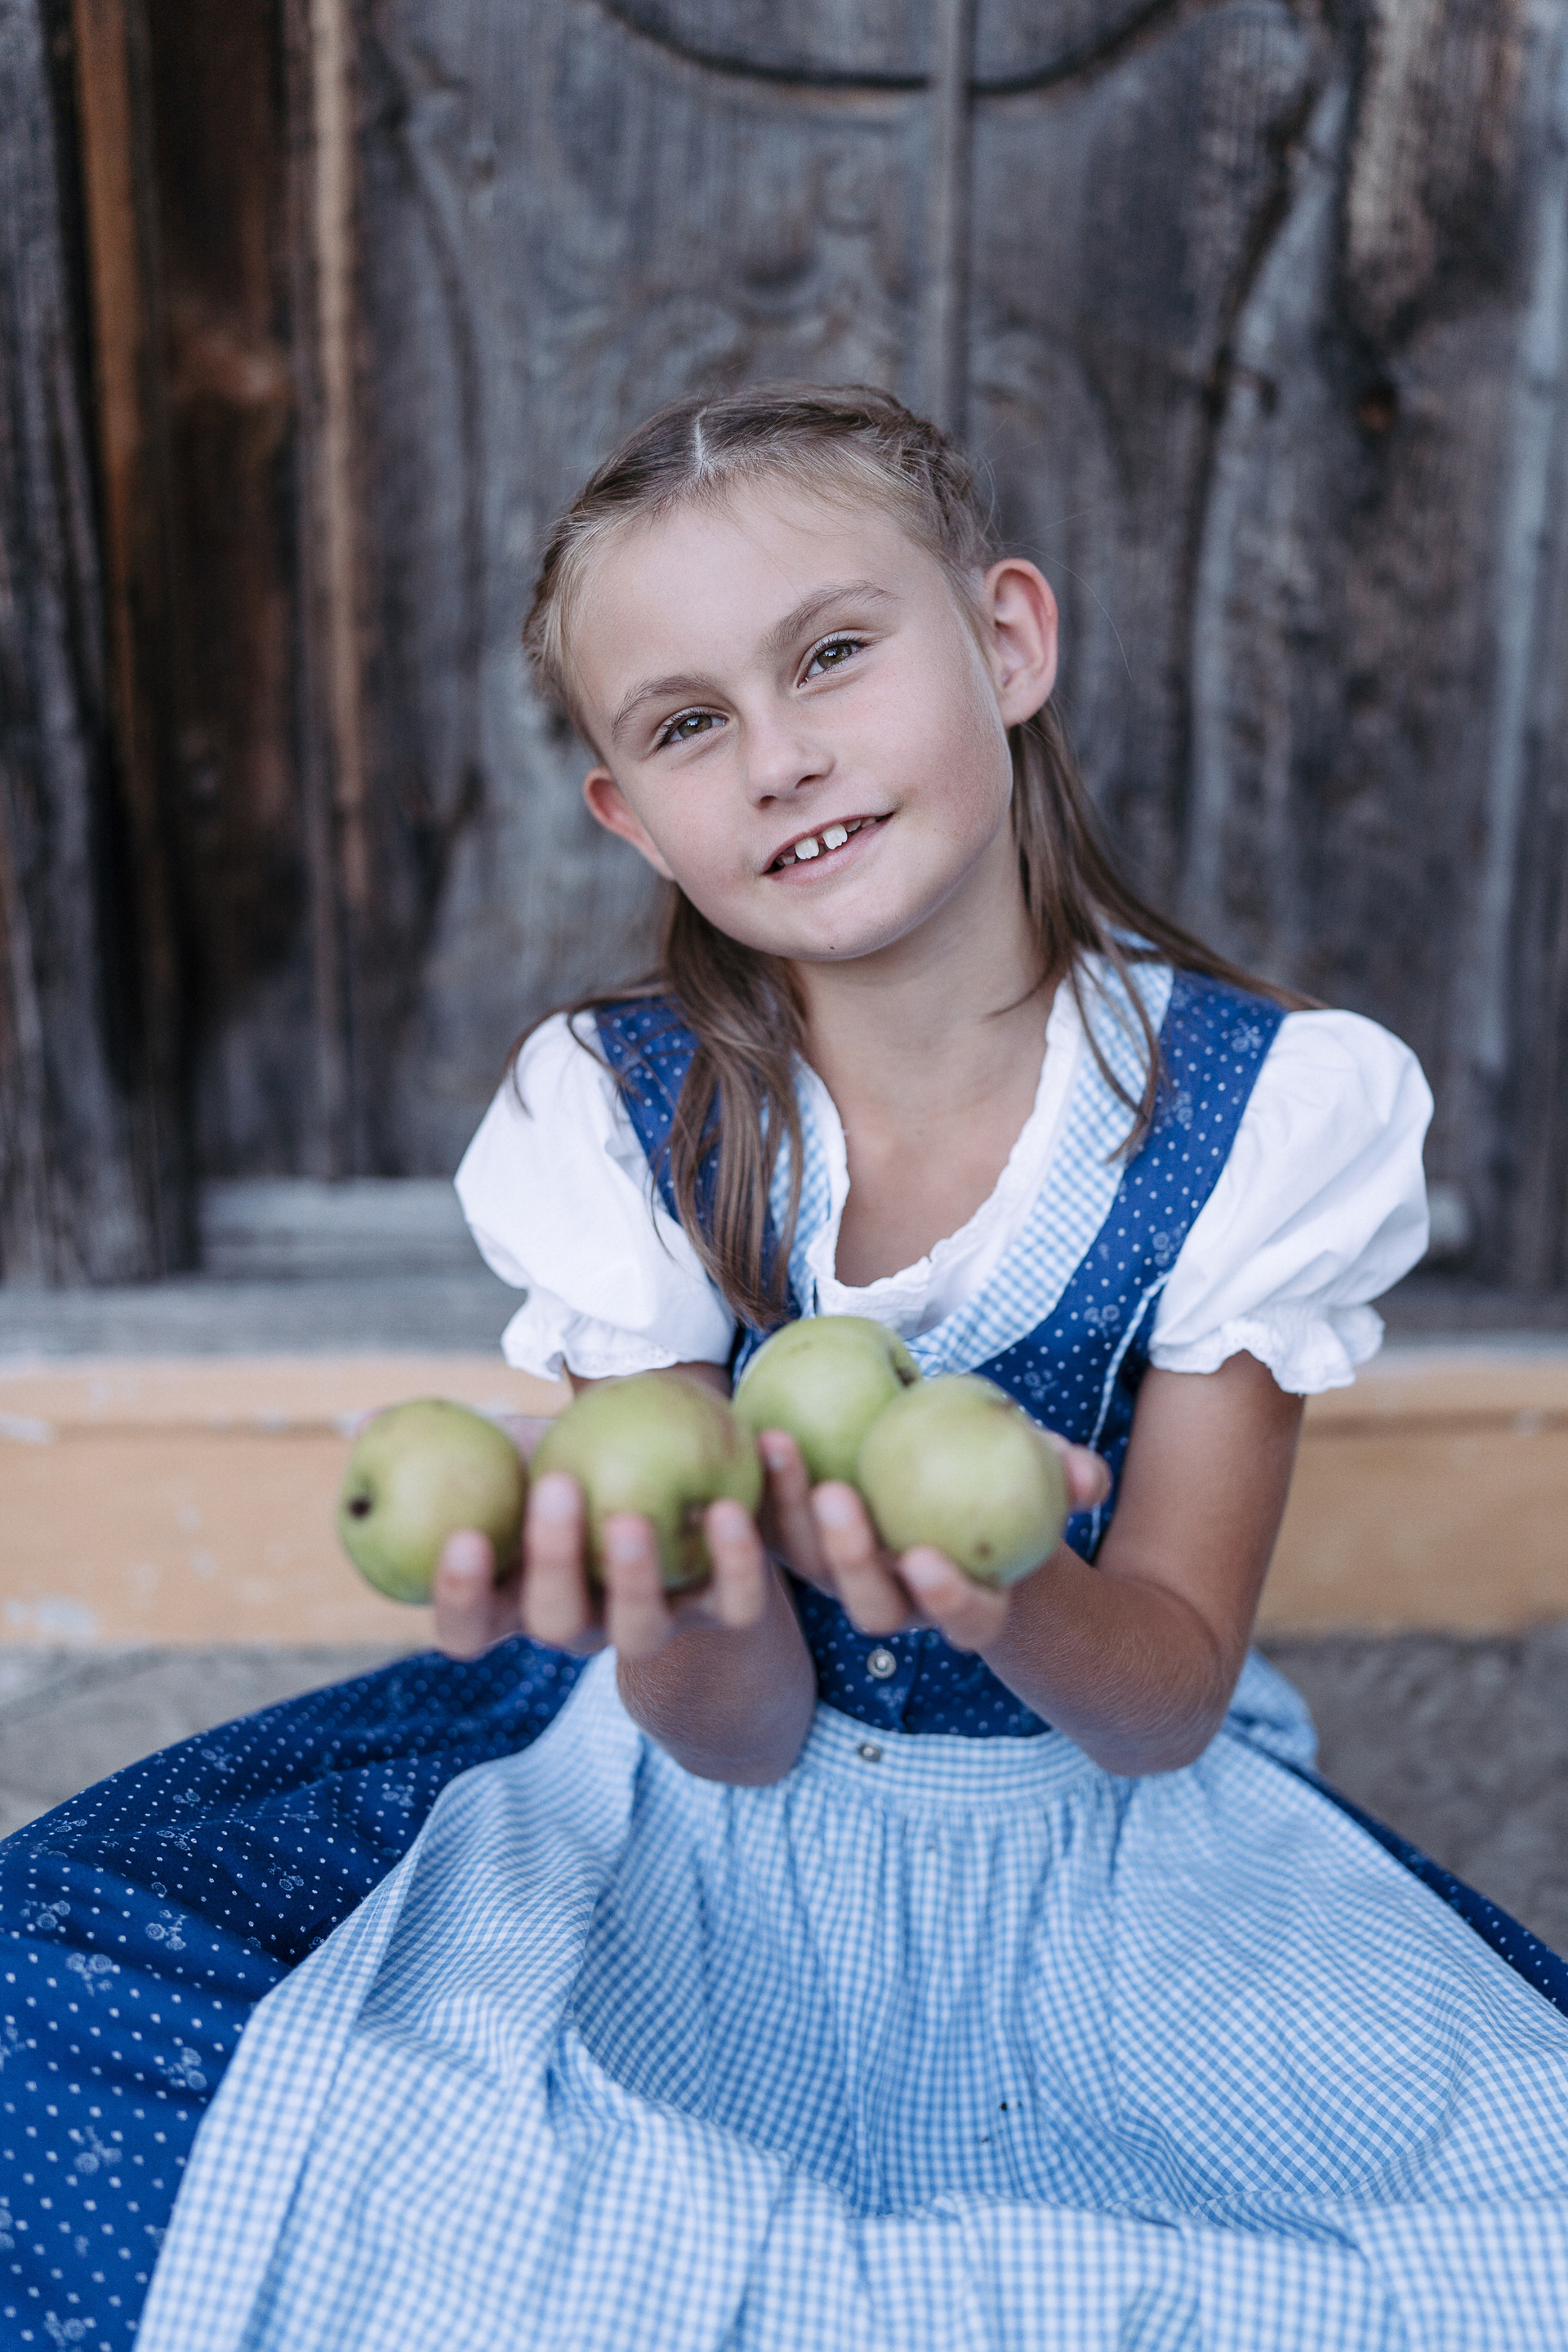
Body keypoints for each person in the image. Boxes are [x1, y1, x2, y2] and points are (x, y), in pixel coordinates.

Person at [7, 386, 1568, 2351]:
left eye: (832, 654)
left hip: (1090, 1844)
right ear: (627, 813)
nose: (778, 756)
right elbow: (731, 1737)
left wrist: (1006, 1581)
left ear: (1007, 639)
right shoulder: (621, 1121)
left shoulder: (1262, 1115)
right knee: (51, 2016)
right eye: (685, 726)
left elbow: (1164, 1702)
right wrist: (676, 1577)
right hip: (703, 1826)